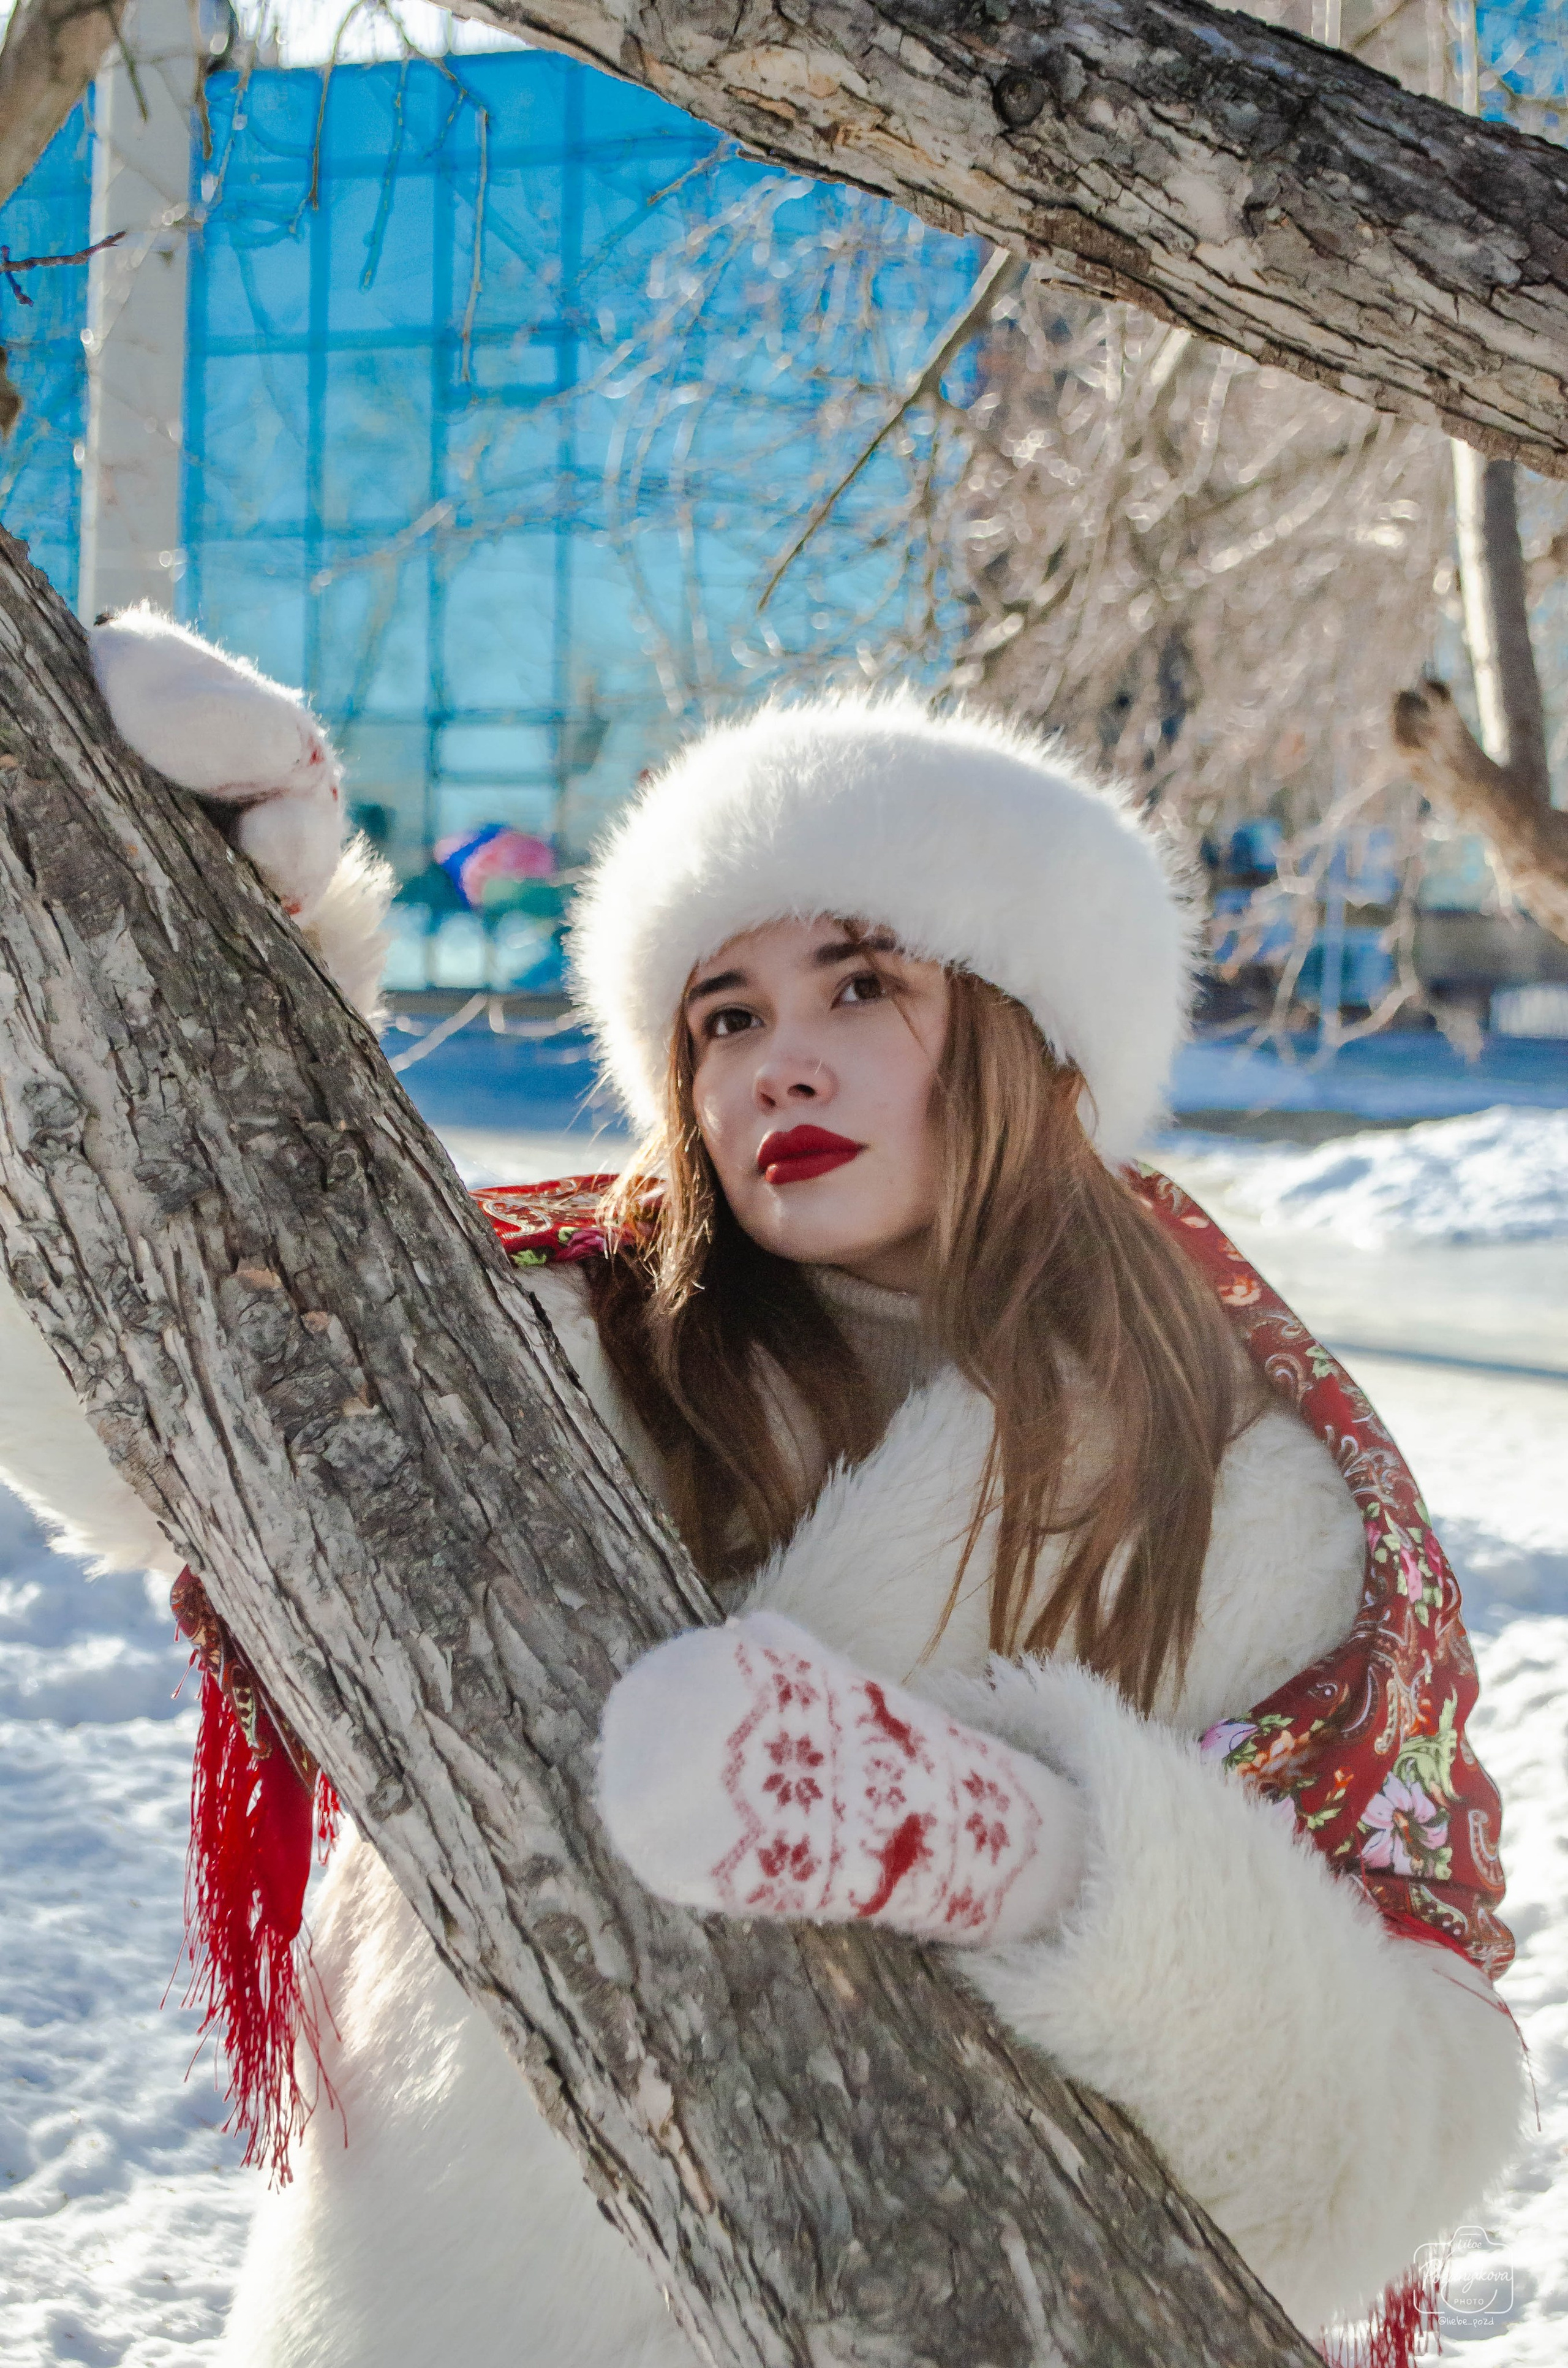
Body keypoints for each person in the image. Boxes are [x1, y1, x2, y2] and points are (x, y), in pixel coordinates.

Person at [0, 610, 1523, 2368]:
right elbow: (147, 1396)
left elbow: (1398, 2127)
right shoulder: (567, 1341)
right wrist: (241, 953)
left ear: (1030, 1031)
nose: (776, 1060)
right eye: (724, 1016)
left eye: (860, 986)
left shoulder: (1250, 1498)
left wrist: (1021, 1850)